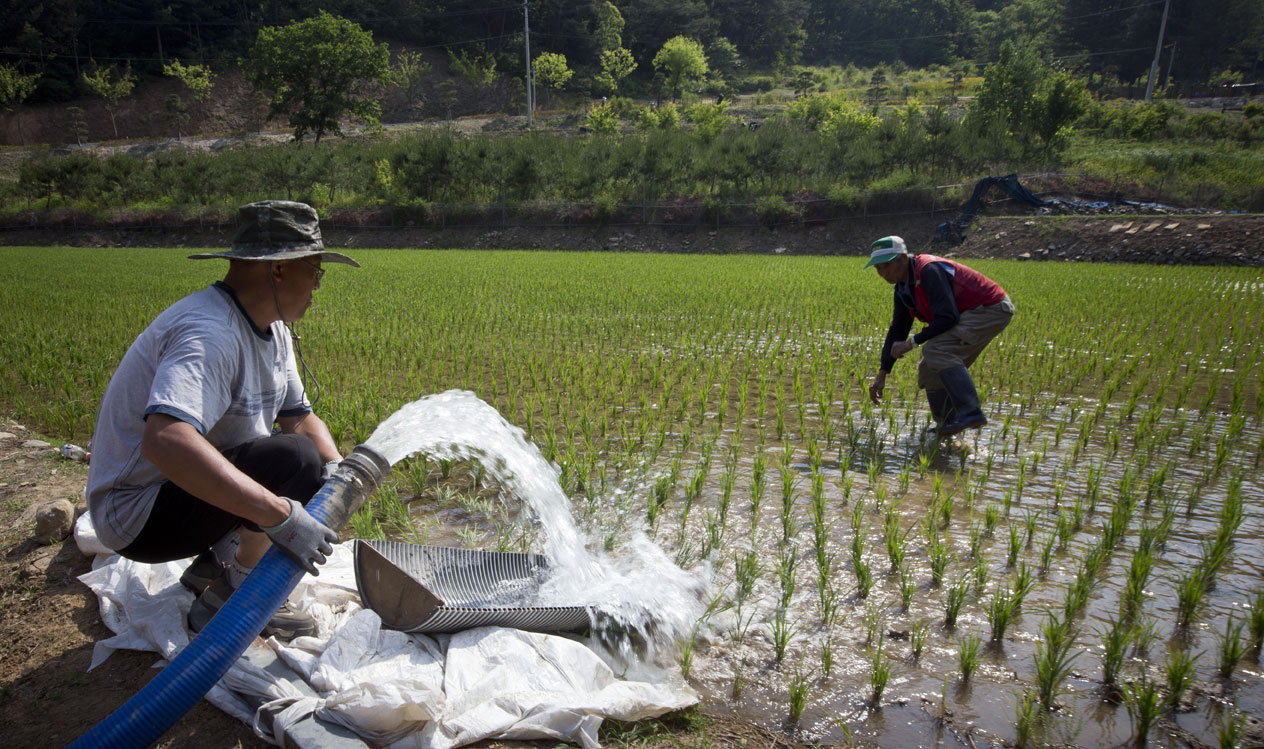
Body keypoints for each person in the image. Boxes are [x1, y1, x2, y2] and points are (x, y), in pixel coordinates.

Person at [86, 200, 358, 641]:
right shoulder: (210, 332)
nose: (317, 287)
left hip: (179, 496)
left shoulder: (273, 328)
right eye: (315, 271)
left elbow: (299, 416)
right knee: (294, 462)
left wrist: (337, 472)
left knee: (309, 460)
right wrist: (279, 515)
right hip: (136, 514)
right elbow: (166, 441)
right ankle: (239, 592)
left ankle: (211, 569)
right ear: (279, 269)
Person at [864, 235, 1015, 437]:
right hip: (968, 314)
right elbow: (897, 330)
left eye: (887, 265)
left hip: (990, 308)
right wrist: (882, 374)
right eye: (878, 268)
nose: (883, 273)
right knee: (929, 369)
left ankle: (971, 412)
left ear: (903, 257)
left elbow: (947, 318)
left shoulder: (928, 271)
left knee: (936, 349)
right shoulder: (902, 289)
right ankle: (948, 426)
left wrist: (912, 343)